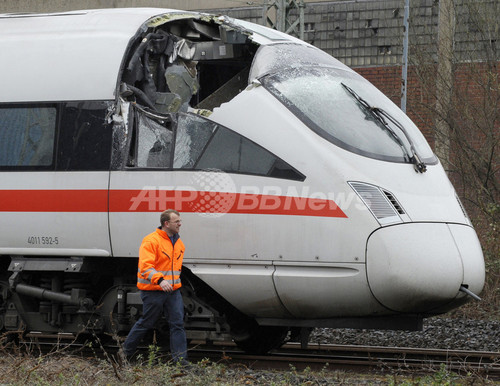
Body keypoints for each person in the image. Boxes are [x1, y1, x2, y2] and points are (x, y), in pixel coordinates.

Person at [121, 209, 188, 365]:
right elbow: (145, 266)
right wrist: (159, 280)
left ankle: (181, 363)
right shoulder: (151, 241)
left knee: (177, 324)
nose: (180, 224)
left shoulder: (178, 242)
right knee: (146, 323)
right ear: (166, 223)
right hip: (153, 291)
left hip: (172, 291)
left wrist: (171, 284)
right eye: (176, 221)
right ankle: (124, 354)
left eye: (180, 221)